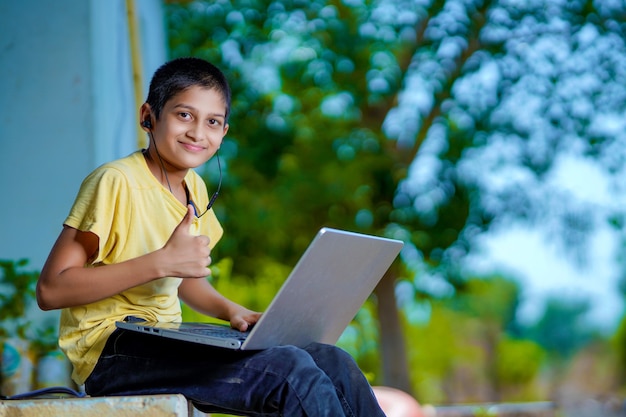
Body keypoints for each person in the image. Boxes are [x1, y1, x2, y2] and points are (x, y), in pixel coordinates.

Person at [36, 56, 387, 416]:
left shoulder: (194, 188)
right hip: (111, 352)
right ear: (148, 116)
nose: (197, 133)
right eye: (184, 115)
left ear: (224, 133)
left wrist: (233, 311)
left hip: (162, 340)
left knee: (331, 360)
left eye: (213, 122)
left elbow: (184, 282)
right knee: (289, 373)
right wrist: (159, 262)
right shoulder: (116, 181)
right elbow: (51, 290)